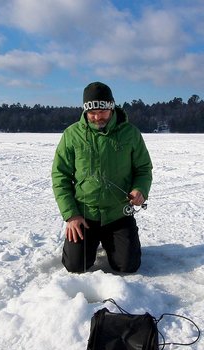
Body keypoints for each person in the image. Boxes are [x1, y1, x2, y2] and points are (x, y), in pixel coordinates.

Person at [51, 81, 153, 273]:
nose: (97, 117)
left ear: (111, 107)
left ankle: (116, 242)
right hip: (84, 214)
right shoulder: (72, 134)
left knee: (127, 265)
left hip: (118, 214)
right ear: (85, 110)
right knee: (75, 266)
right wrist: (71, 215)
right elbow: (60, 176)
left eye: (102, 111)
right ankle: (86, 243)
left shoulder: (130, 133)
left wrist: (140, 189)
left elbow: (143, 169)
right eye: (92, 112)